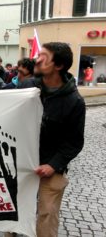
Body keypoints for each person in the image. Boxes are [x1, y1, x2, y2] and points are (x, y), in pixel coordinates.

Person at [29, 42, 85, 237]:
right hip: (22, 164)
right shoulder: (29, 87)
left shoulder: (74, 102)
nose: (37, 59)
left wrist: (53, 165)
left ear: (58, 66)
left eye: (43, 56)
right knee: (15, 211)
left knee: (46, 215)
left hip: (50, 170)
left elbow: (74, 142)